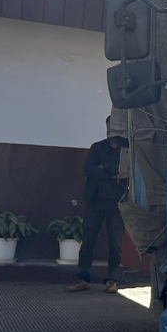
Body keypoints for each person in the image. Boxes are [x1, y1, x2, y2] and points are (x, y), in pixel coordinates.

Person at [69, 123, 128, 293]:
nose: (111, 130)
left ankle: (112, 281)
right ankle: (82, 279)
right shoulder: (97, 147)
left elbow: (125, 171)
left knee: (115, 243)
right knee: (88, 240)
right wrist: (112, 174)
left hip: (117, 202)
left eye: (114, 126)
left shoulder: (126, 151)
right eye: (109, 126)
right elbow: (89, 170)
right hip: (94, 200)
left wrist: (105, 167)